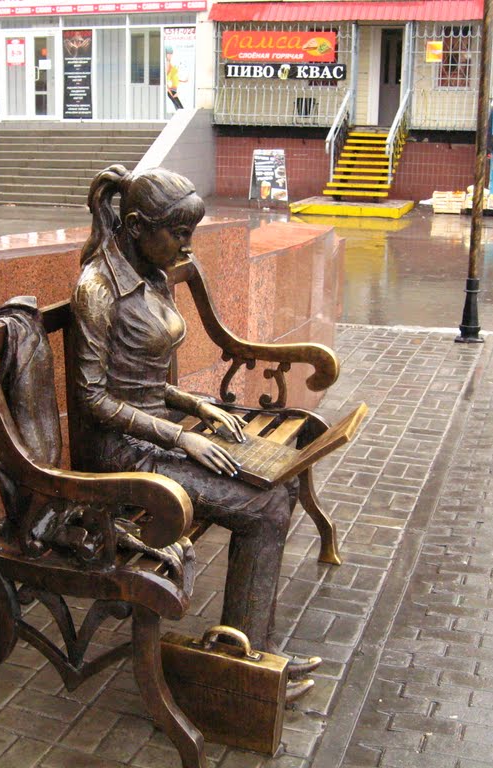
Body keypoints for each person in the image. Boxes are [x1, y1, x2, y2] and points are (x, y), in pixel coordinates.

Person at [69, 165, 320, 702]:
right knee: (265, 509)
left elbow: (145, 382)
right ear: (137, 226)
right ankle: (242, 669)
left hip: (156, 434)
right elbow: (94, 399)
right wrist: (183, 438)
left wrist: (196, 406)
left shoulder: (153, 274)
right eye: (179, 233)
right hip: (119, 452)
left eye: (190, 232)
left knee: (282, 482)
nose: (187, 245)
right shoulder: (97, 288)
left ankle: (251, 649)